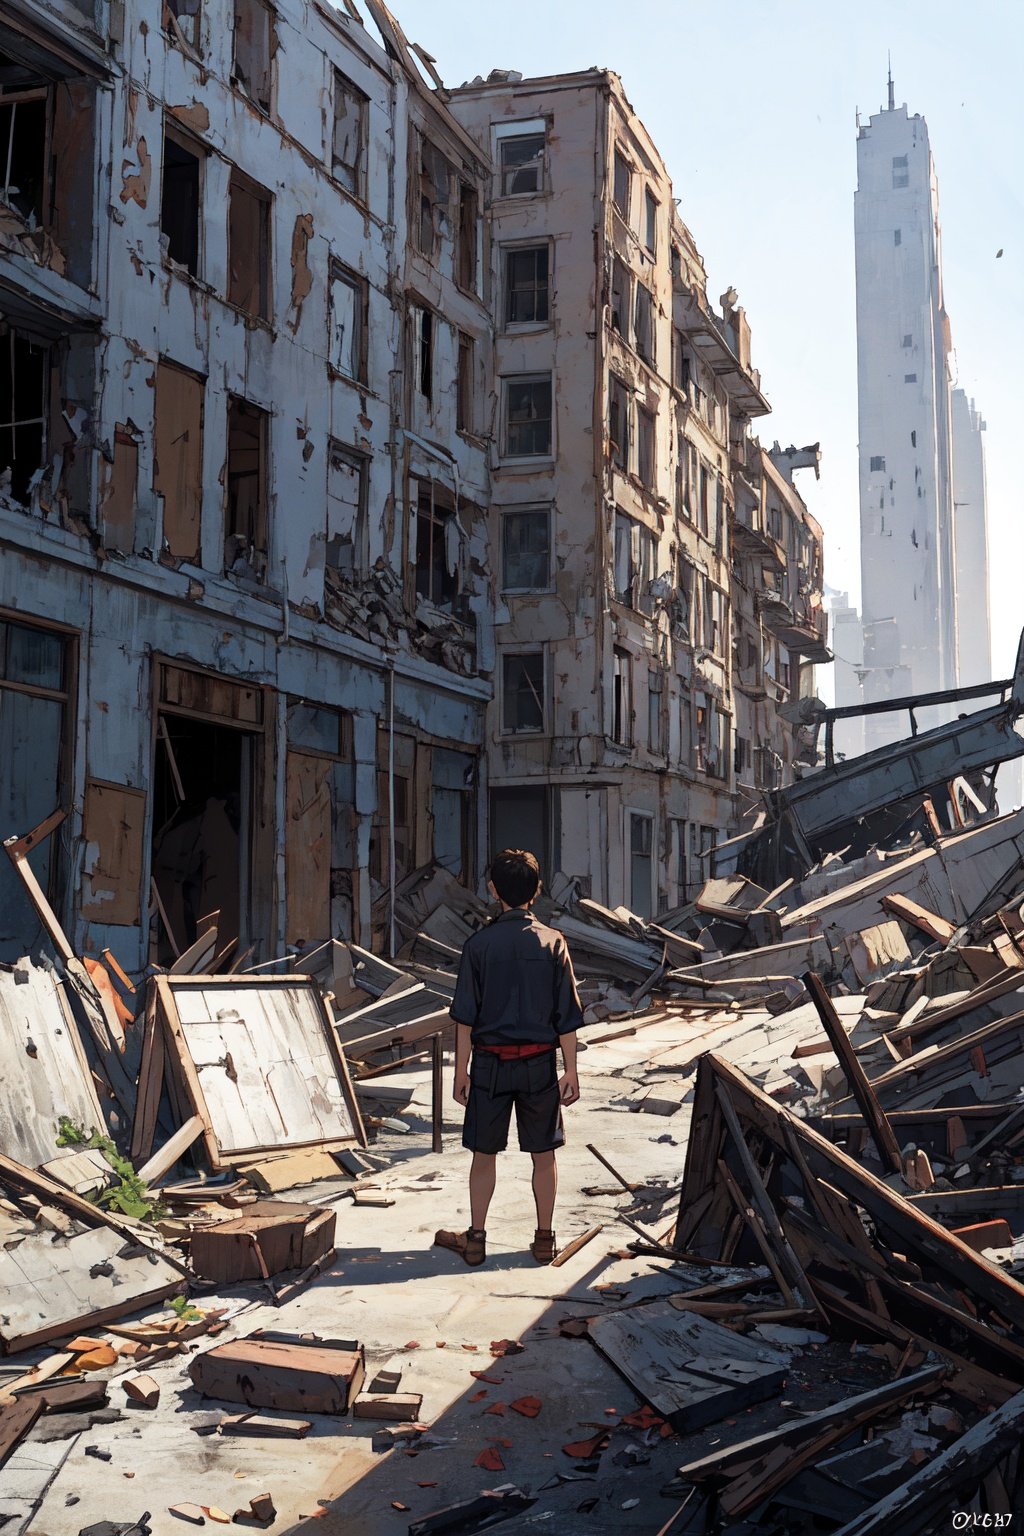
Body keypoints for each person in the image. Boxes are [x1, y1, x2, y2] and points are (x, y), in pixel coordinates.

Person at [434, 848, 583, 1267]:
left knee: (484, 1154)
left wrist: (460, 1070)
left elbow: (465, 1017)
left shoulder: (478, 945)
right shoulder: (555, 943)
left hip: (489, 1065)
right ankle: (544, 1239)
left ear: (493, 889)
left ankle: (477, 1239)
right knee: (544, 1155)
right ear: (536, 891)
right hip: (539, 1064)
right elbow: (566, 1017)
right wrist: (570, 1070)